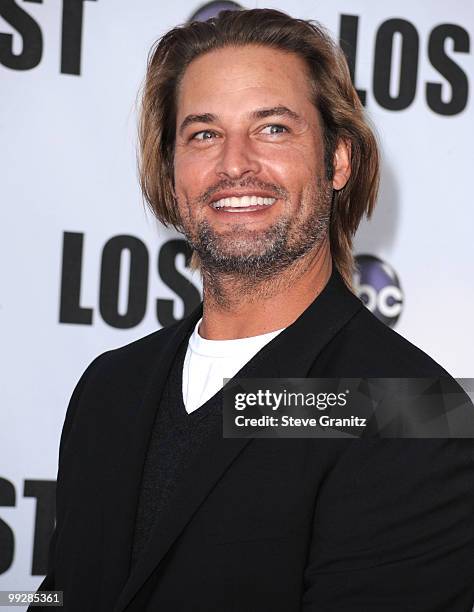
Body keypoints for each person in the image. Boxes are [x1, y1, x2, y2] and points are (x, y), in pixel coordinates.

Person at [32, 8, 474, 612]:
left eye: (272, 129)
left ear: (338, 160)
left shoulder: (409, 408)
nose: (234, 164)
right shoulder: (110, 388)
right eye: (204, 134)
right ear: (171, 169)